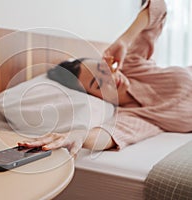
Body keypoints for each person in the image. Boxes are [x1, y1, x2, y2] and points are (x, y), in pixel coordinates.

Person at [18, 0, 192, 156]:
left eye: (104, 70)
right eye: (98, 84)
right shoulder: (135, 116)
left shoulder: (132, 65)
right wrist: (76, 135)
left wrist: (124, 40)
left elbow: (159, 8)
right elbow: (106, 134)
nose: (110, 78)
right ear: (95, 97)